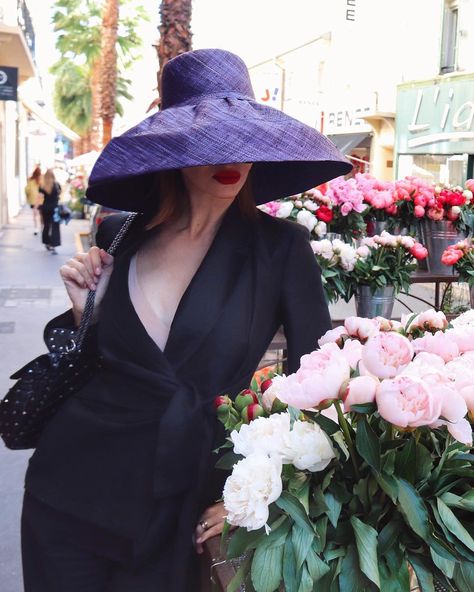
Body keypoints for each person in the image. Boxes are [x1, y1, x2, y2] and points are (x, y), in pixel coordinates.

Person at [20, 49, 351, 591]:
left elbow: (316, 383)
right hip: (70, 491)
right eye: (209, 141)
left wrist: (271, 487)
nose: (231, 159)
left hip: (187, 499)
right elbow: (103, 359)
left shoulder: (280, 248)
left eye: (242, 140)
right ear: (174, 148)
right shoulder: (121, 234)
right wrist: (88, 312)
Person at [38, 169, 62, 254]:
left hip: (45, 209)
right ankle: (53, 245)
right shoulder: (57, 185)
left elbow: (40, 198)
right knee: (55, 226)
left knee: (46, 226)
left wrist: (38, 208)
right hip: (54, 209)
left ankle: (46, 243)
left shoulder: (42, 186)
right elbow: (59, 195)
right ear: (53, 176)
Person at [24, 166, 42, 235]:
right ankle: (42, 227)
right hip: (41, 200)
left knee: (35, 214)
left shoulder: (31, 180)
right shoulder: (41, 180)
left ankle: (36, 228)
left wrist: (28, 196)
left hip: (33, 200)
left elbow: (27, 190)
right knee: (41, 214)